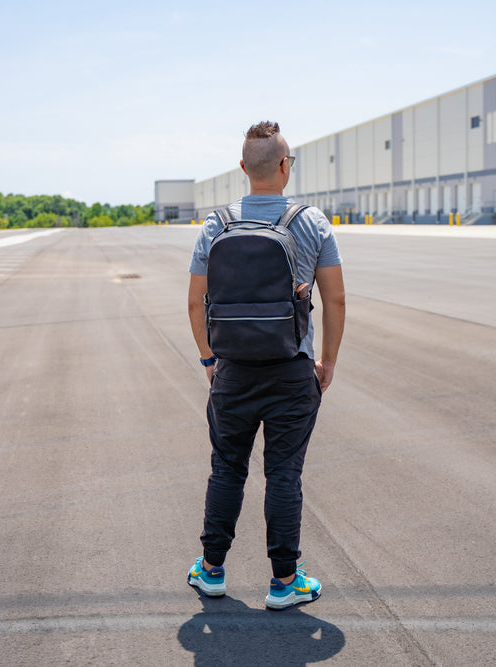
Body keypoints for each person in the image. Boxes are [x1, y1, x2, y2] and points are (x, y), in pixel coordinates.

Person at [186, 121, 346, 610]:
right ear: (284, 166)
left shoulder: (217, 224)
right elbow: (335, 299)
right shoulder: (312, 222)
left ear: (242, 168)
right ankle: (284, 582)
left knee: (227, 470)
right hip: (291, 369)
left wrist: (211, 361)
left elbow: (196, 303)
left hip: (232, 371)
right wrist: (326, 363)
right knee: (283, 475)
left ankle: (211, 570)